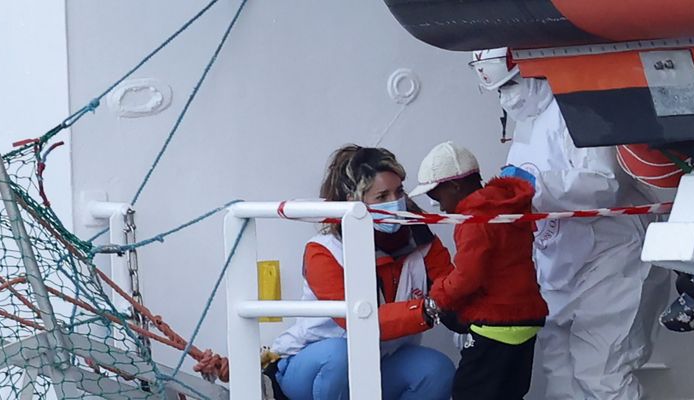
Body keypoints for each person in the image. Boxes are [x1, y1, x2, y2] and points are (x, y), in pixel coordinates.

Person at [469, 47, 671, 400]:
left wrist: (533, 185)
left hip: (610, 261)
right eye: (501, 90)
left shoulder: (578, 109)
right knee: (559, 376)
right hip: (558, 267)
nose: (508, 97)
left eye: (512, 84)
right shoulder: (527, 124)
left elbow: (603, 183)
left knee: (602, 375)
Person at [265, 145, 456, 400]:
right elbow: (357, 322)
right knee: (340, 356)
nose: (395, 203)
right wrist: (428, 309)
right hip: (310, 369)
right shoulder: (324, 252)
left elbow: (452, 286)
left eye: (399, 191)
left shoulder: (422, 241)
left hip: (378, 362)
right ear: (354, 202)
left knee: (437, 370)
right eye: (381, 196)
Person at [409, 141, 549, 400]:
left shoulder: (475, 219)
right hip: (527, 318)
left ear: (455, 186)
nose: (439, 207)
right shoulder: (507, 207)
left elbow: (467, 278)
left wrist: (435, 298)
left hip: (495, 323)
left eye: (437, 198)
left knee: (468, 392)